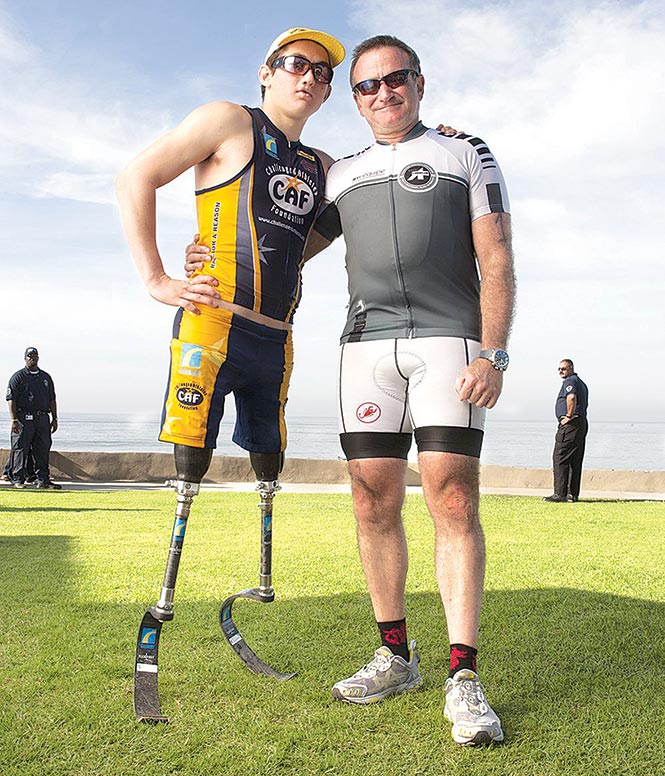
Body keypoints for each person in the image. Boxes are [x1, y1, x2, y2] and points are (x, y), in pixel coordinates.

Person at [187, 34, 514, 745]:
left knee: (452, 495)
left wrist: (493, 353)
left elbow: (495, 255)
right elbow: (281, 246)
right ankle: (396, 656)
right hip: (364, 347)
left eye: (396, 79)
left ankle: (464, 677)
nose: (383, 92)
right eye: (368, 85)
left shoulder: (465, 152)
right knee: (371, 498)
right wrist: (208, 254)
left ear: (418, 84)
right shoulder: (339, 173)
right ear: (355, 99)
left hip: (449, 340)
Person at [115, 29, 344, 629]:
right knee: (191, 459)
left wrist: (433, 139)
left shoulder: (322, 166)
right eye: (297, 64)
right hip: (212, 327)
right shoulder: (228, 121)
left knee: (269, 456)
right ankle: (166, 599)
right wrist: (157, 279)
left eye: (322, 73)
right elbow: (135, 176)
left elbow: (337, 219)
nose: (309, 77)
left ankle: (264, 583)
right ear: (266, 72)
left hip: (276, 338)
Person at [6, 347, 61, 489]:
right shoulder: (18, 377)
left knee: (42, 448)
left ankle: (42, 479)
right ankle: (18, 479)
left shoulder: (45, 377)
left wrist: (55, 418)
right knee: (20, 448)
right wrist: (14, 419)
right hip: (23, 417)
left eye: (35, 356)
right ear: (25, 358)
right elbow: (11, 399)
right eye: (30, 356)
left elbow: (52, 399)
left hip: (42, 418)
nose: (33, 358)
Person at [544, 359, 589, 503]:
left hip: (570, 425)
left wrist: (568, 416)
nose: (560, 371)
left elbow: (571, 397)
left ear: (570, 368)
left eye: (563, 368)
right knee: (575, 459)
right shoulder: (580, 383)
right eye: (559, 369)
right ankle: (572, 494)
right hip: (580, 423)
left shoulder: (570, 382)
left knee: (560, 457)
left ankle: (560, 494)